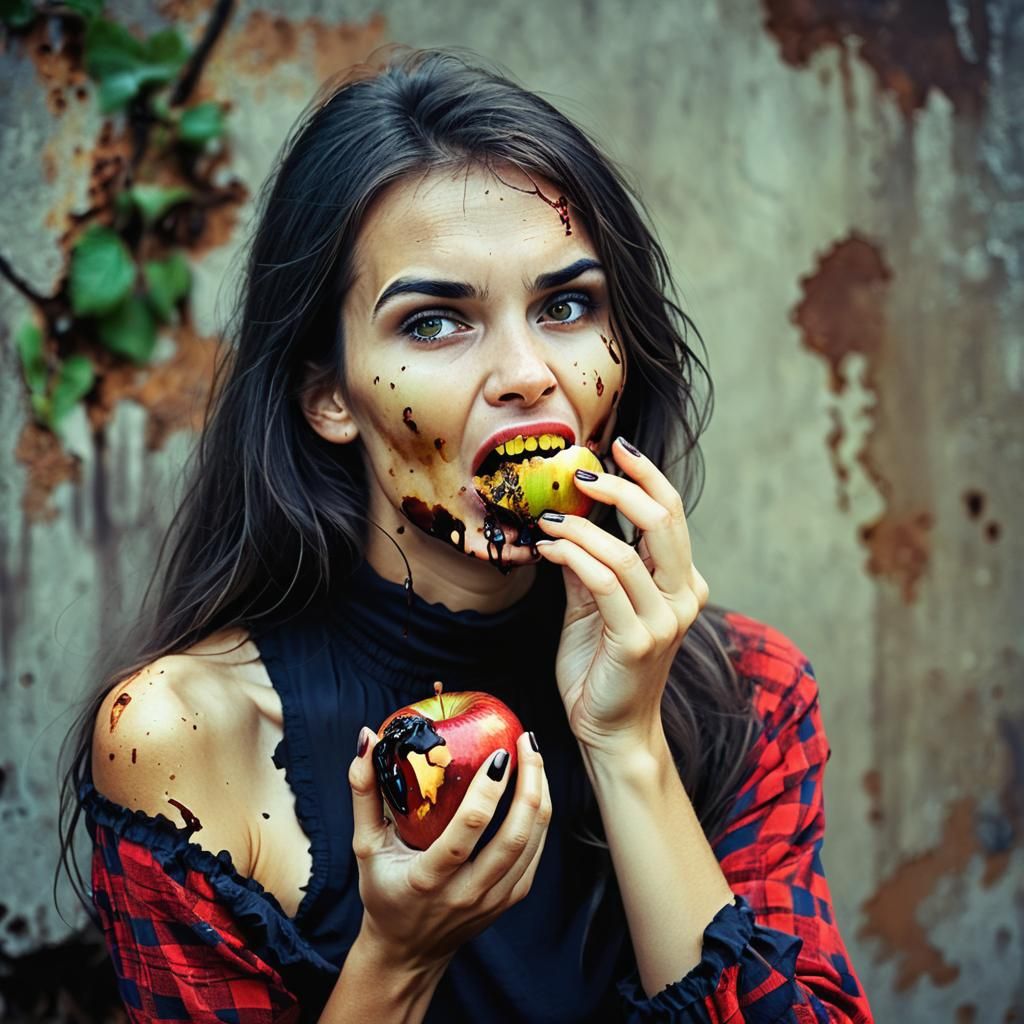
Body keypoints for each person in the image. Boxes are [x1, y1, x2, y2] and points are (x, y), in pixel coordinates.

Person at [55, 46, 874, 1023]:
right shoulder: (183, 739)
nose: (527, 373)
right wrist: (399, 959)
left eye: (566, 306)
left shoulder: (750, 694)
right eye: (436, 322)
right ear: (329, 395)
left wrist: (629, 750)